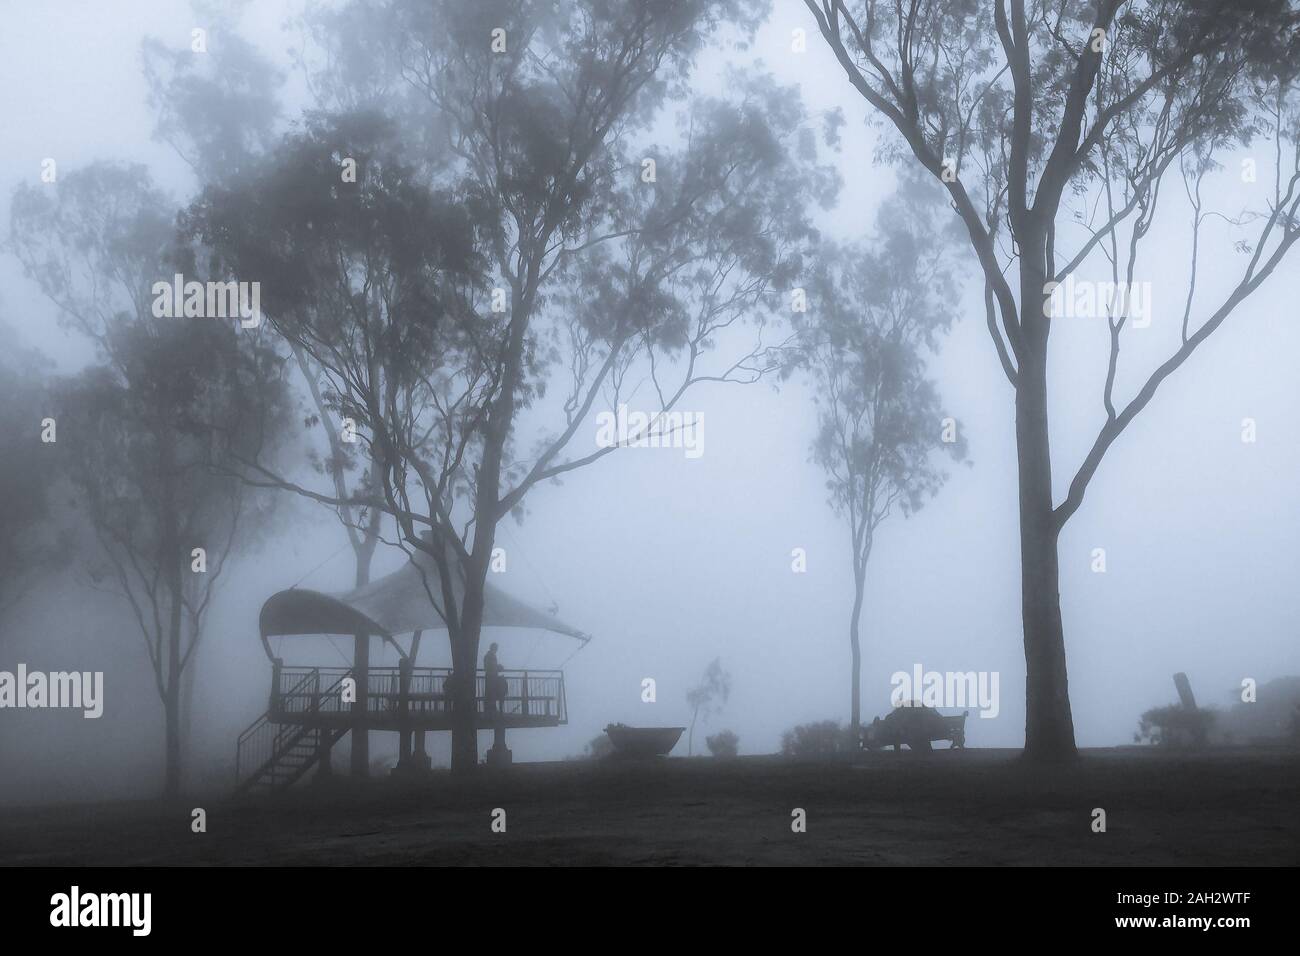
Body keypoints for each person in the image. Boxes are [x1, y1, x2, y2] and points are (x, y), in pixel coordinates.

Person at [484, 643, 504, 716]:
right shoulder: (490, 656)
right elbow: (490, 667)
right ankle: (491, 711)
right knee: (491, 695)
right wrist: (498, 667)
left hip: (491, 678)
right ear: (493, 648)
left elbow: (490, 666)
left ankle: (491, 710)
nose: (496, 650)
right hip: (491, 678)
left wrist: (497, 667)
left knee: (491, 695)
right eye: (496, 648)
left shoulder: (489, 655)